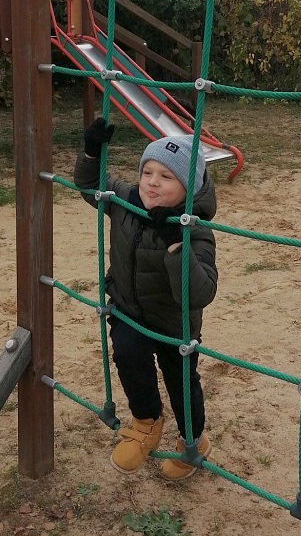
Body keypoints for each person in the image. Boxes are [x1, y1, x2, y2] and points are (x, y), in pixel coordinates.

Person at [74, 118, 218, 479]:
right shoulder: (127, 201)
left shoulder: (196, 231)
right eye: (147, 172)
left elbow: (202, 293)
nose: (152, 182)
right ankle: (146, 423)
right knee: (127, 356)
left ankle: (192, 443)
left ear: (189, 189)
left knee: (181, 382)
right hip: (128, 309)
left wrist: (176, 246)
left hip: (173, 324)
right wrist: (91, 153)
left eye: (166, 177)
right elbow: (91, 186)